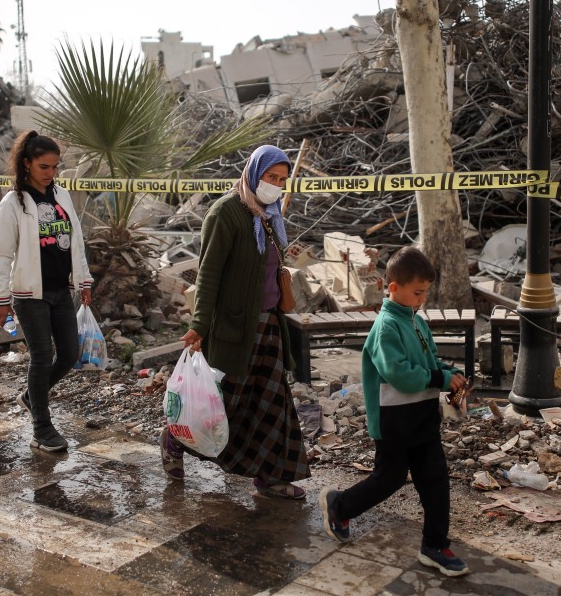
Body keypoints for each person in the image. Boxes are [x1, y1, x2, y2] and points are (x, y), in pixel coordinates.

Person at [163, 144, 310, 499]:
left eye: (282, 179)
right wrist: (200, 324)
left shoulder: (270, 216)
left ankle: (270, 477)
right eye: (271, 176)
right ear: (253, 173)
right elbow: (208, 275)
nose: (276, 185)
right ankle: (175, 439)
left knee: (271, 404)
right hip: (234, 330)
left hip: (269, 328)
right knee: (224, 405)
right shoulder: (225, 213)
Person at [319, 246, 471, 577]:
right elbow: (399, 374)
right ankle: (339, 505)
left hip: (423, 419)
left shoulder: (417, 321)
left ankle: (434, 545)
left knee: (435, 479)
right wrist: (439, 378)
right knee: (389, 478)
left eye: (425, 293)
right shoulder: (386, 327)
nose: (422, 299)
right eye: (417, 293)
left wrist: (450, 374)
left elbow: (429, 361)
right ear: (393, 288)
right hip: (394, 422)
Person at [0, 131, 93, 452]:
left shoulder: (61, 195)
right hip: (29, 293)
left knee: (70, 354)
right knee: (42, 357)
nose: (50, 173)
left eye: (54, 167)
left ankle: (31, 396)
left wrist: (83, 280)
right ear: (26, 164)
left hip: (61, 290)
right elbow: (2, 254)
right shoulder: (14, 202)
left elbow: (76, 240)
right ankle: (42, 429)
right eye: (43, 167)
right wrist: (0, 298)